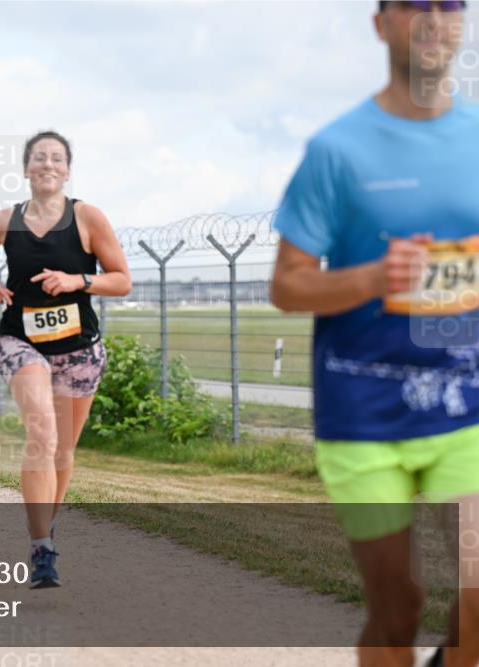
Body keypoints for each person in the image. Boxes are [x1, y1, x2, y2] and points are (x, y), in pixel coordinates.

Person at [270, 3, 479, 665]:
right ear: (381, 22)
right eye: (413, 3)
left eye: (449, 4)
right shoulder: (338, 150)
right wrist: (373, 278)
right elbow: (288, 285)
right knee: (399, 607)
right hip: (364, 413)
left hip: (464, 405)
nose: (433, 18)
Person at [0, 131, 131, 588]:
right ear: (26, 169)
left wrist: (78, 280)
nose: (48, 165)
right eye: (39, 158)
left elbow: (121, 280)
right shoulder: (4, 219)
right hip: (22, 340)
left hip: (79, 347)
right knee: (42, 430)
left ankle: (46, 528)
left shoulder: (88, 217)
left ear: (68, 169)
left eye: (57, 158)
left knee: (63, 449)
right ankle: (41, 548)